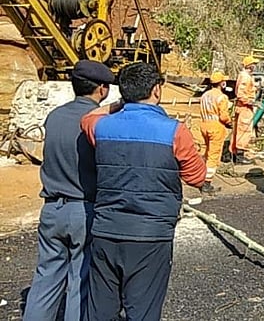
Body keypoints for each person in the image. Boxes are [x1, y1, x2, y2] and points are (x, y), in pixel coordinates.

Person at [80, 62, 206, 321]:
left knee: (100, 312)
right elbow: (197, 176)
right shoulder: (175, 132)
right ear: (157, 90)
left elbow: (87, 118)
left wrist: (119, 106)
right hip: (151, 234)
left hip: (106, 230)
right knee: (143, 311)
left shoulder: (101, 127)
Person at [23, 60, 114, 321]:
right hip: (82, 209)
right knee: (79, 281)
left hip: (51, 208)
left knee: (45, 279)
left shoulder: (55, 116)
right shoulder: (98, 122)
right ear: (102, 89)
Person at [199, 71, 231, 194]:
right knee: (213, 155)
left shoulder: (205, 95)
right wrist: (229, 123)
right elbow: (223, 116)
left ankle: (201, 175)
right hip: (216, 128)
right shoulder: (221, 97)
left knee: (207, 152)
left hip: (204, 125)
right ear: (221, 83)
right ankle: (206, 183)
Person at [230, 55, 259, 165]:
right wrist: (252, 102)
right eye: (253, 64)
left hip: (244, 106)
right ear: (249, 66)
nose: (255, 66)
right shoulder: (245, 77)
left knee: (238, 130)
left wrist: (256, 88)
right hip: (245, 108)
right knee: (244, 131)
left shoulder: (246, 76)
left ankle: (235, 153)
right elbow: (241, 94)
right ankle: (240, 156)